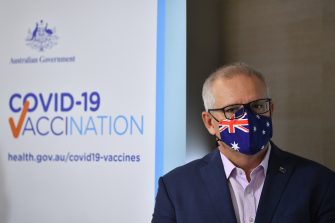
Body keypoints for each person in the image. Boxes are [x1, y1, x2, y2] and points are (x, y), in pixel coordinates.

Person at [152, 63, 335, 223]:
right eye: (232, 110)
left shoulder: (320, 182)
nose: (248, 118)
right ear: (209, 122)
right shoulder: (176, 188)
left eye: (257, 106)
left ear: (270, 110)